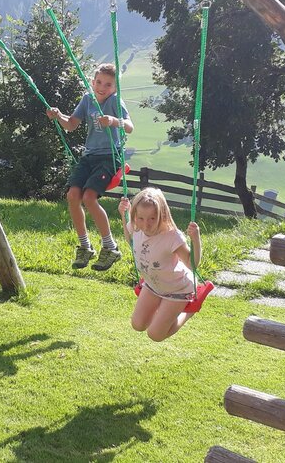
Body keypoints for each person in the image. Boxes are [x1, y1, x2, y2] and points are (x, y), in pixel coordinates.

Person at [46, 63, 133, 271]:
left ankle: (110, 247)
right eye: (99, 82)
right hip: (89, 156)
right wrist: (58, 116)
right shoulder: (88, 99)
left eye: (108, 84)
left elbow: (130, 126)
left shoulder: (115, 101)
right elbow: (71, 124)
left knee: (89, 197)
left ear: (115, 87)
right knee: (73, 196)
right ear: (93, 82)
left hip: (109, 157)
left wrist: (113, 121)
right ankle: (85, 246)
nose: (102, 88)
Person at [118, 188, 203, 342]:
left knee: (155, 335)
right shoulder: (137, 227)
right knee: (137, 325)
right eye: (141, 218)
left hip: (177, 289)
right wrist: (124, 215)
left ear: (162, 215)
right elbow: (130, 240)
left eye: (152, 218)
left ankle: (187, 313)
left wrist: (196, 240)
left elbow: (192, 265)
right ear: (135, 215)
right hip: (152, 285)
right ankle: (164, 314)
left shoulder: (172, 237)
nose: (146, 225)